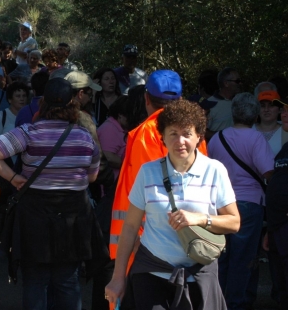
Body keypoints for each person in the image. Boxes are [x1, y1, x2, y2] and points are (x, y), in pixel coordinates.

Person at [105, 99, 240, 309]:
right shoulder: (148, 172)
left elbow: (234, 222)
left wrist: (200, 219)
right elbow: (130, 227)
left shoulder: (215, 170)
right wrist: (118, 277)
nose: (180, 141)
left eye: (187, 133)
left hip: (200, 275)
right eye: (173, 133)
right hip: (151, 273)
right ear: (163, 138)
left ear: (198, 136)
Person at [0, 78, 101, 309]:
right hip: (73, 217)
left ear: (43, 102)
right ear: (73, 103)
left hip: (34, 216)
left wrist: (14, 178)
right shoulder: (85, 137)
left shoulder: (28, 132)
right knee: (68, 281)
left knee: (36, 282)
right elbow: (92, 177)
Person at [109, 70, 210, 260]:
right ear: (181, 100)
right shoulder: (194, 134)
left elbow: (145, 190)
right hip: (190, 235)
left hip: (152, 242)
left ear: (146, 98)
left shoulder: (145, 134)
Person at [207, 92, 274, 310]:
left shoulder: (217, 138)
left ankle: (218, 301)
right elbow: (268, 173)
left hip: (220, 205)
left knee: (222, 257)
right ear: (255, 115)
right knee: (244, 258)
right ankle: (237, 303)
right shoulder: (256, 139)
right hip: (249, 204)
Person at [265, 97, 288, 308]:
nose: (284, 114)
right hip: (277, 229)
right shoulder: (285, 148)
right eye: (284, 109)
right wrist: (270, 230)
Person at [206, 67, 242, 140]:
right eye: (237, 81)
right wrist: (224, 137)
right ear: (226, 83)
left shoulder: (240, 101)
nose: (240, 83)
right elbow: (202, 132)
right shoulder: (209, 104)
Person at [254, 90, 288, 155]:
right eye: (262, 105)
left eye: (271, 105)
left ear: (280, 110)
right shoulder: (248, 129)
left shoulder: (286, 130)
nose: (266, 109)